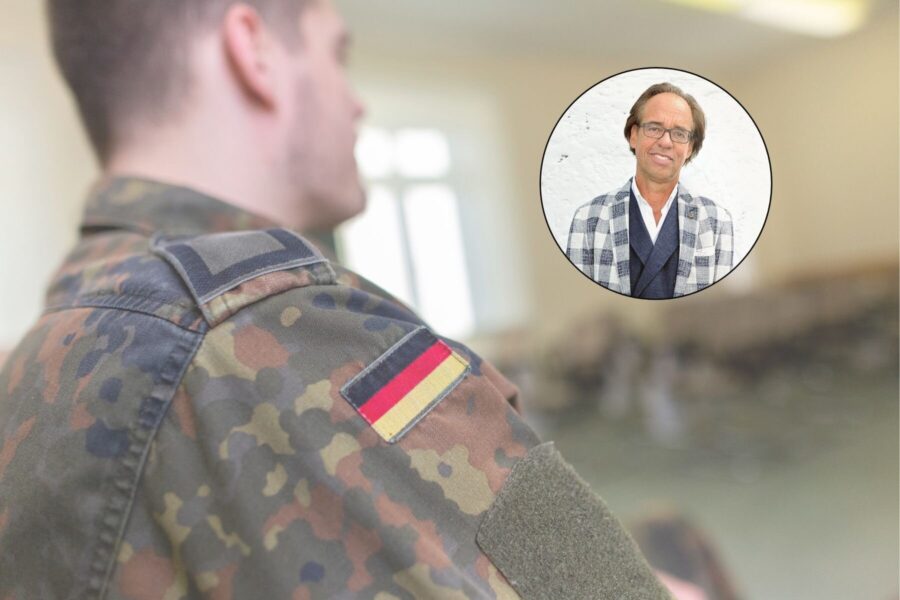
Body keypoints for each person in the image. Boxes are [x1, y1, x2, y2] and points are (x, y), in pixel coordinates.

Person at [0, 1, 675, 598]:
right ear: (252, 48)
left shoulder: (47, 343)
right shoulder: (274, 325)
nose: (357, 103)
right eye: (336, 53)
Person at [566, 82, 734, 299]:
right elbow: (579, 302)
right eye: (654, 128)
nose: (665, 142)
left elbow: (722, 307)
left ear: (690, 147)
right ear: (634, 135)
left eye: (680, 133)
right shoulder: (589, 218)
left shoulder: (717, 222)